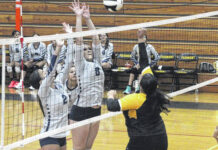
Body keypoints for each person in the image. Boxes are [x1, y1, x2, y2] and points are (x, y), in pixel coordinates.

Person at [29, 35, 77, 150]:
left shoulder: (59, 83)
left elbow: (69, 62)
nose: (45, 71)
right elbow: (51, 71)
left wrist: (70, 37)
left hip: (62, 134)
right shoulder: (43, 91)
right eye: (43, 72)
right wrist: (58, 48)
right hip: (49, 135)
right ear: (41, 81)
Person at [68, 1, 104, 150]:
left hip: (96, 109)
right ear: (80, 53)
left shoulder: (97, 62)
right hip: (81, 110)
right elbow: (79, 40)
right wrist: (78, 17)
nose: (88, 49)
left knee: (88, 147)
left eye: (90, 48)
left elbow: (95, 39)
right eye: (85, 49)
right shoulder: (81, 64)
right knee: (79, 148)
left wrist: (88, 18)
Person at [106, 71, 170, 150]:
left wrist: (110, 95)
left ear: (140, 86)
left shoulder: (135, 99)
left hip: (141, 140)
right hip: (161, 138)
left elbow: (111, 106)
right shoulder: (158, 96)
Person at [123, 28, 159, 94]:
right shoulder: (136, 46)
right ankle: (128, 88)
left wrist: (150, 64)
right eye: (143, 37)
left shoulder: (150, 47)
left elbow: (157, 57)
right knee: (133, 71)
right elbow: (132, 56)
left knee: (141, 72)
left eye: (144, 37)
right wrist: (136, 63)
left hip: (147, 65)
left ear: (146, 39)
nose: (143, 38)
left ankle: (138, 88)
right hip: (139, 64)